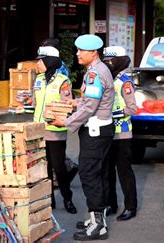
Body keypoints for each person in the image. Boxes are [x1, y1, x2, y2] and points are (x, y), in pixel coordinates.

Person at [50, 34, 115, 241]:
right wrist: (74, 103)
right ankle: (96, 218)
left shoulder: (95, 73)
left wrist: (66, 122)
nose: (77, 54)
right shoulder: (96, 70)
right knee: (98, 173)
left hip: (96, 131)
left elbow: (91, 107)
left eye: (81, 51)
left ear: (93, 52)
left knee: (89, 175)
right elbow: (90, 100)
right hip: (100, 129)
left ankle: (99, 226)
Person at [31, 46, 76, 214]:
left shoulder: (63, 81)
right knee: (44, 168)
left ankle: (67, 198)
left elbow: (67, 105)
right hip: (39, 130)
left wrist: (57, 119)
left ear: (49, 61)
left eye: (40, 60)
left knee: (59, 168)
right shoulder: (39, 79)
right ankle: (50, 200)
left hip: (56, 130)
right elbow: (37, 102)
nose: (37, 63)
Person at [102, 46, 138, 221]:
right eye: (105, 61)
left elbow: (132, 109)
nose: (107, 64)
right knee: (108, 171)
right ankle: (111, 204)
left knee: (124, 172)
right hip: (107, 132)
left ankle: (131, 207)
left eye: (109, 61)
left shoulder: (125, 82)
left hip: (122, 134)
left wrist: (110, 113)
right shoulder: (107, 79)